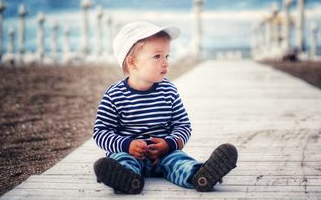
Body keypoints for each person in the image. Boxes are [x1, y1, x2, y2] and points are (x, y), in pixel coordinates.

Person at [93, 21, 237, 194]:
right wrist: (126, 145)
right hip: (130, 154)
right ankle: (127, 180)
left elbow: (183, 125)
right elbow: (101, 132)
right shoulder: (115, 95)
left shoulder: (168, 90)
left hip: (164, 155)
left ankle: (200, 176)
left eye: (167, 56)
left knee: (179, 161)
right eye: (157, 56)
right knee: (121, 161)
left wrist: (169, 144)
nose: (165, 63)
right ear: (132, 62)